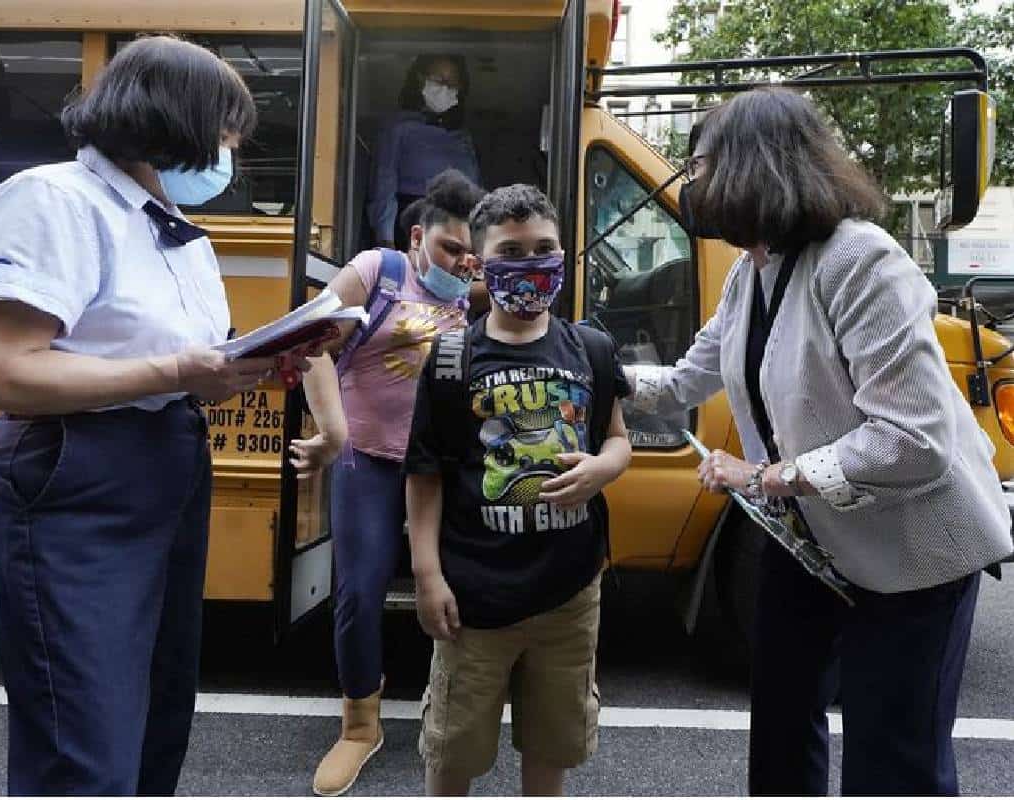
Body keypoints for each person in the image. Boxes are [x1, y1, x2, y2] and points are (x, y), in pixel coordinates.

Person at [0, 35, 322, 795]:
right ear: (174, 119)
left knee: (154, 720)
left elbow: (173, 362)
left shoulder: (170, 226)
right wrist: (178, 371)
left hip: (165, 457)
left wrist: (231, 373)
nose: (230, 153)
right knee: (83, 739)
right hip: (75, 470)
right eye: (225, 131)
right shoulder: (51, 200)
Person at [626, 88, 1014, 796]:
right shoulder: (753, 272)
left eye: (699, 164)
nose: (690, 183)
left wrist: (767, 477)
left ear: (750, 166)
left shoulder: (861, 261)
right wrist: (591, 369)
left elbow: (914, 439)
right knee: (777, 724)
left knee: (892, 764)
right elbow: (688, 377)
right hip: (809, 541)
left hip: (914, 551)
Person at [404, 184, 632, 796]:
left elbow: (617, 438)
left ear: (562, 254)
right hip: (473, 601)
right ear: (480, 263)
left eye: (544, 249)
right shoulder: (453, 359)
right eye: (512, 250)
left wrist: (605, 469)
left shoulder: (591, 348)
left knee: (551, 753)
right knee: (453, 755)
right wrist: (428, 577)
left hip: (569, 596)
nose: (531, 263)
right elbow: (425, 475)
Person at [290, 169, 486, 797]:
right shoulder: (379, 271)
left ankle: (456, 711)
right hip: (367, 457)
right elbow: (311, 344)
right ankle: (359, 725)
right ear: (418, 235)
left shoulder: (474, 296)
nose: (460, 261)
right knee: (359, 590)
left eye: (469, 252)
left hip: (437, 467)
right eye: (450, 248)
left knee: (462, 588)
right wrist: (333, 433)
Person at [367, 55, 481, 252]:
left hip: (458, 227)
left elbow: (476, 187)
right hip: (412, 223)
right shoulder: (398, 126)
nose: (445, 87)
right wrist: (386, 240)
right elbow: (384, 182)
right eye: (439, 79)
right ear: (421, 79)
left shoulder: (463, 137)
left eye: (453, 82)